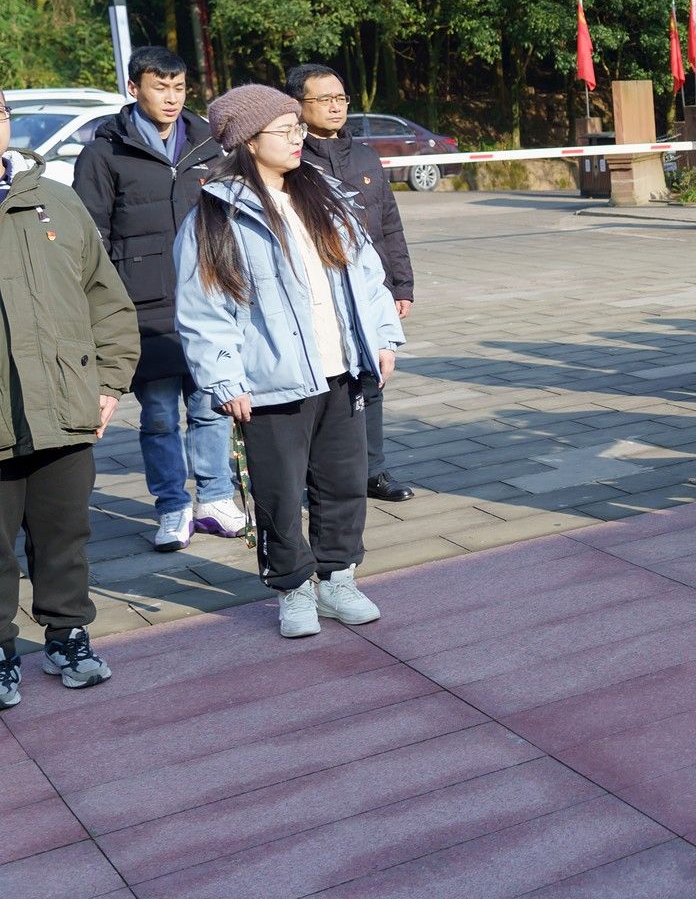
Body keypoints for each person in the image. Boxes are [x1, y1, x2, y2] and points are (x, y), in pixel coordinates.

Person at [174, 85, 405, 638]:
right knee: (278, 492)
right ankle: (294, 588)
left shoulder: (326, 195)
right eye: (285, 130)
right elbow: (203, 310)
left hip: (341, 369)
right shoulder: (216, 216)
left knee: (343, 482)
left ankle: (338, 578)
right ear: (249, 142)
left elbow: (367, 274)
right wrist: (224, 379)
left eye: (298, 127)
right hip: (270, 382)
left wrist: (382, 337)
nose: (299, 138)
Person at [72, 48, 240, 551]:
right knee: (161, 414)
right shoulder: (104, 153)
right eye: (160, 87)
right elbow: (91, 239)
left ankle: (216, 498)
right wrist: (102, 309)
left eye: (179, 87)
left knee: (211, 405)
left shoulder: (209, 144)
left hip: (208, 299)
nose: (171, 98)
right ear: (133, 88)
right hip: (142, 309)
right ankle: (172, 506)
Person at [2, 92, 139, 705]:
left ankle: (67, 635)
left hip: (63, 406)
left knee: (64, 535)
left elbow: (106, 299)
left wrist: (108, 382)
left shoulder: (55, 200)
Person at [287, 64, 417, 501]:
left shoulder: (364, 157)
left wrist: (401, 285)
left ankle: (371, 471)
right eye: (323, 99)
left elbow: (389, 225)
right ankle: (313, 478)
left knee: (372, 378)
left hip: (369, 290)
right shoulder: (291, 160)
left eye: (340, 98)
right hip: (316, 293)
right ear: (298, 106)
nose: (335, 106)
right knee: (322, 386)